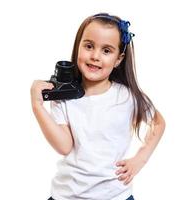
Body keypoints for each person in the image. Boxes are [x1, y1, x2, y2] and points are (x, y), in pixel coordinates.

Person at [31, 12, 165, 200]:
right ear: (78, 47)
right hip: (68, 195)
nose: (95, 56)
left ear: (119, 59)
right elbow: (64, 146)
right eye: (89, 46)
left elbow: (158, 123)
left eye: (107, 50)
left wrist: (140, 159)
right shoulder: (63, 97)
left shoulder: (127, 97)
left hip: (115, 195)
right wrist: (37, 106)